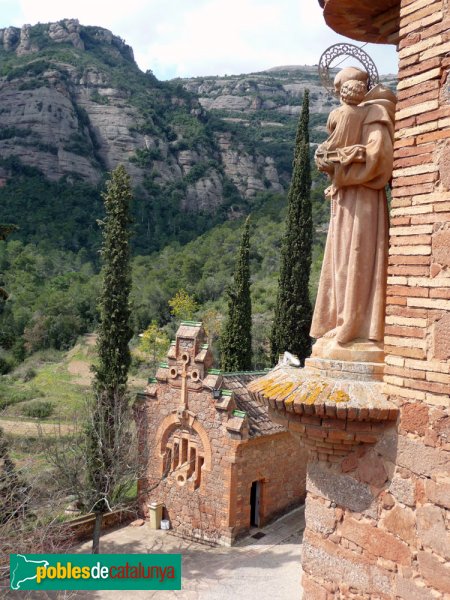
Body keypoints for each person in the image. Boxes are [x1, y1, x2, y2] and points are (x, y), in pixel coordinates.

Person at [311, 67, 396, 357]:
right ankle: (341, 319)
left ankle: (356, 325)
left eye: (344, 88)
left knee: (358, 254)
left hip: (364, 196)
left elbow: (378, 158)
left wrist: (342, 168)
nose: (344, 94)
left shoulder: (376, 112)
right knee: (341, 257)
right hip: (346, 195)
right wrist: (331, 165)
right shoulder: (350, 113)